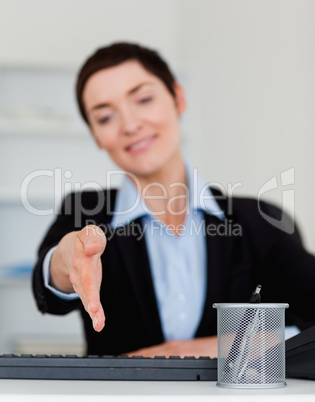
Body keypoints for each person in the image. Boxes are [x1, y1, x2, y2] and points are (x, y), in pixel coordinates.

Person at [32, 42, 315, 357]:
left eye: (143, 99)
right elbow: (49, 291)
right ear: (97, 136)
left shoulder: (260, 221)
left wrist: (203, 349)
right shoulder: (85, 213)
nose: (130, 124)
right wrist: (64, 262)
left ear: (178, 98)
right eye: (105, 117)